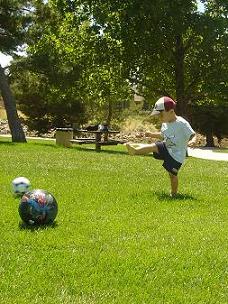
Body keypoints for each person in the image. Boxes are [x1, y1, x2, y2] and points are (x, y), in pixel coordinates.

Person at [125, 96, 197, 197]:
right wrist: (150, 134)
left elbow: (193, 134)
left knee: (172, 175)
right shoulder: (165, 124)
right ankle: (134, 151)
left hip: (177, 155)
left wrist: (193, 141)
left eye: (161, 114)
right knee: (154, 146)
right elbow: (163, 135)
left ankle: (174, 194)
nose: (159, 117)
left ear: (171, 111)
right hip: (166, 147)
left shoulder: (182, 123)